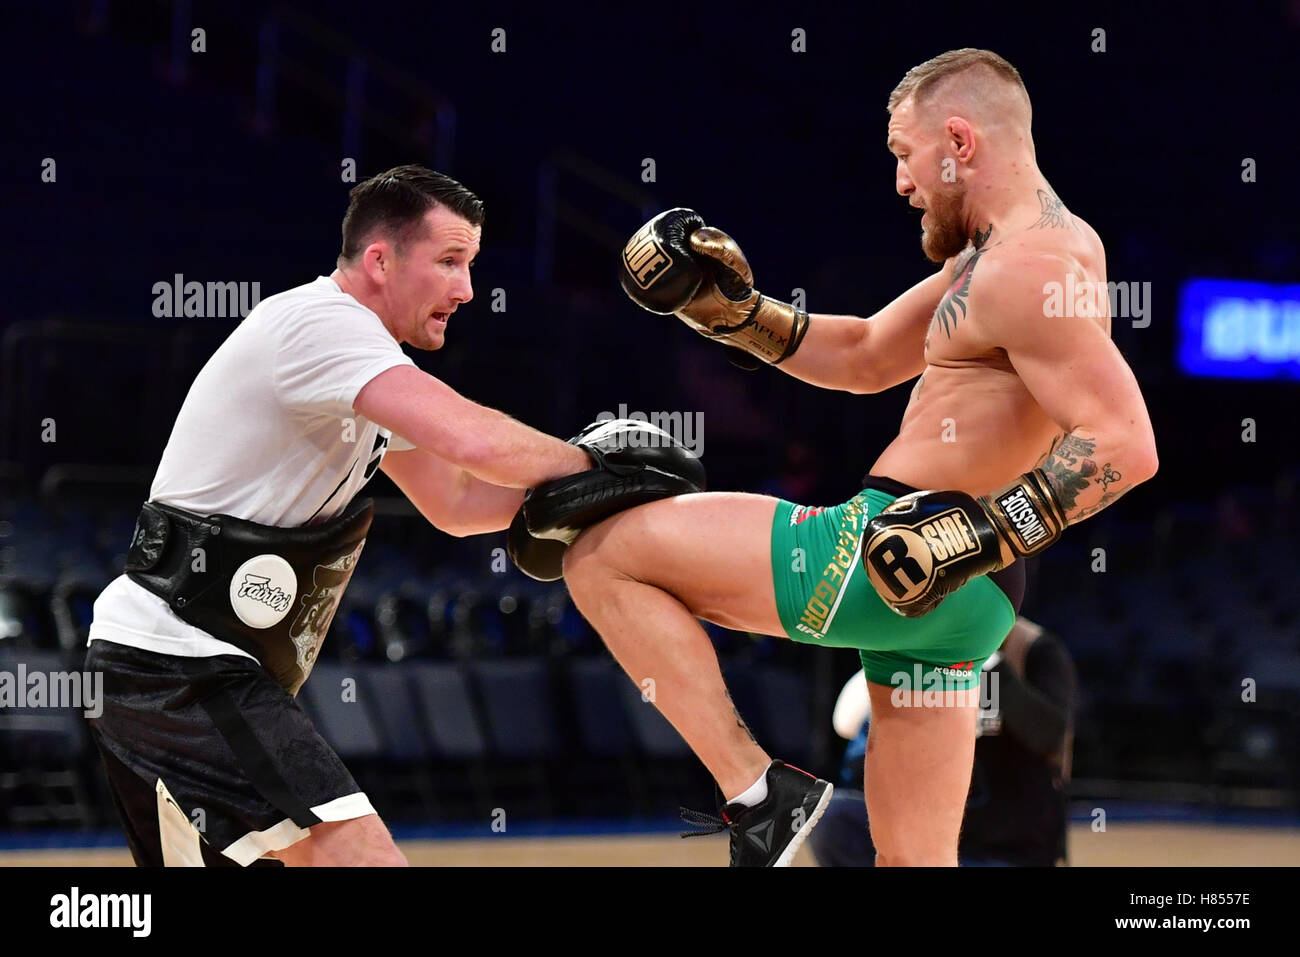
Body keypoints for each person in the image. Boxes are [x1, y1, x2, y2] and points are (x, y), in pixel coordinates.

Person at [561, 48, 1158, 866]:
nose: (903, 181)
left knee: (602, 557)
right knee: (913, 860)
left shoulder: (1026, 267)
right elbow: (868, 353)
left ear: (960, 140)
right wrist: (730, 311)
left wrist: (977, 531)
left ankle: (758, 789)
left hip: (887, 552)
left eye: (904, 154)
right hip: (953, 590)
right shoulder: (1018, 254)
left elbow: (1125, 442)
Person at [83, 165, 693, 866]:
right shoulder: (322, 325)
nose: (467, 289)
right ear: (380, 260)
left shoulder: (357, 364)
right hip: (178, 660)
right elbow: (471, 439)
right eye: (450, 261)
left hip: (184, 663)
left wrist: (601, 499)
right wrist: (595, 464)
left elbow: (458, 502)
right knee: (364, 857)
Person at [810, 617, 1078, 866]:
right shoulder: (917, 648)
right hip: (928, 839)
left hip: (1008, 849)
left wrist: (990, 665)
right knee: (834, 819)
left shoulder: (1034, 649)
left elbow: (1051, 736)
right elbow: (848, 734)